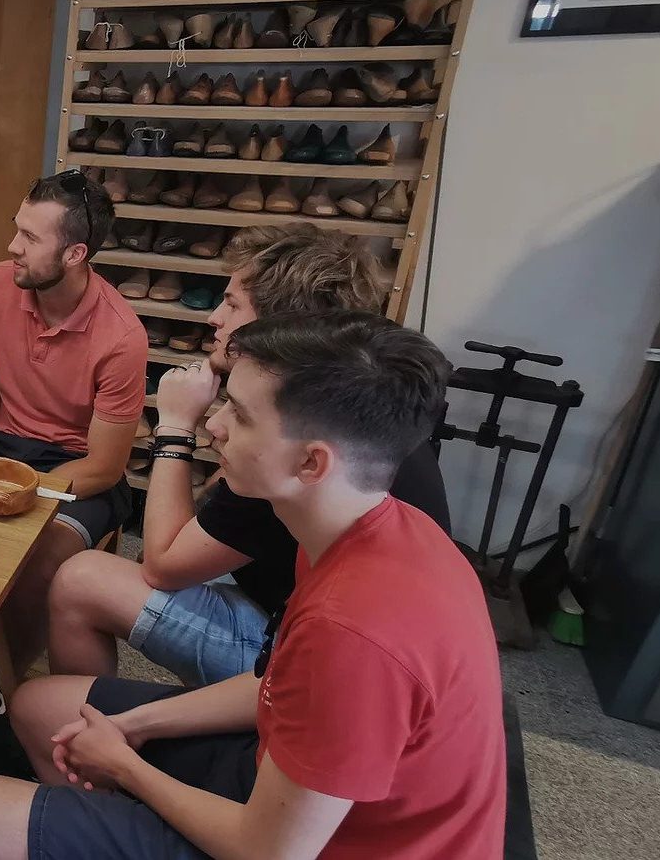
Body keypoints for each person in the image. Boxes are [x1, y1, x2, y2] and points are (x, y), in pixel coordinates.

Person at [0, 312, 505, 860]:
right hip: (288, 790)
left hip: (311, 843)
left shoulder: (354, 633)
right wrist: (135, 726)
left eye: (242, 415)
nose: (215, 424)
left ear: (312, 464)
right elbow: (275, 687)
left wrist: (128, 766)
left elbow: (268, 851)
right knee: (41, 705)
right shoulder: (363, 530)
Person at [47, 223, 451, 687]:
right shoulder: (342, 398)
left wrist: (175, 429)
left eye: (233, 304)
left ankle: (85, 720)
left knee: (81, 581)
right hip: (322, 621)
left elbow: (162, 566)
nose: (213, 318)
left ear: (276, 326)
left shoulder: (290, 439)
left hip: (330, 665)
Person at [0, 170, 146, 711]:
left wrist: (21, 495)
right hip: (0, 443)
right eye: (17, 228)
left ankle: (8, 682)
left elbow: (105, 465)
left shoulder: (123, 337)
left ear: (75, 254)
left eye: (30, 237)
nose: (13, 246)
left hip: (76, 465)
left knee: (39, 556)